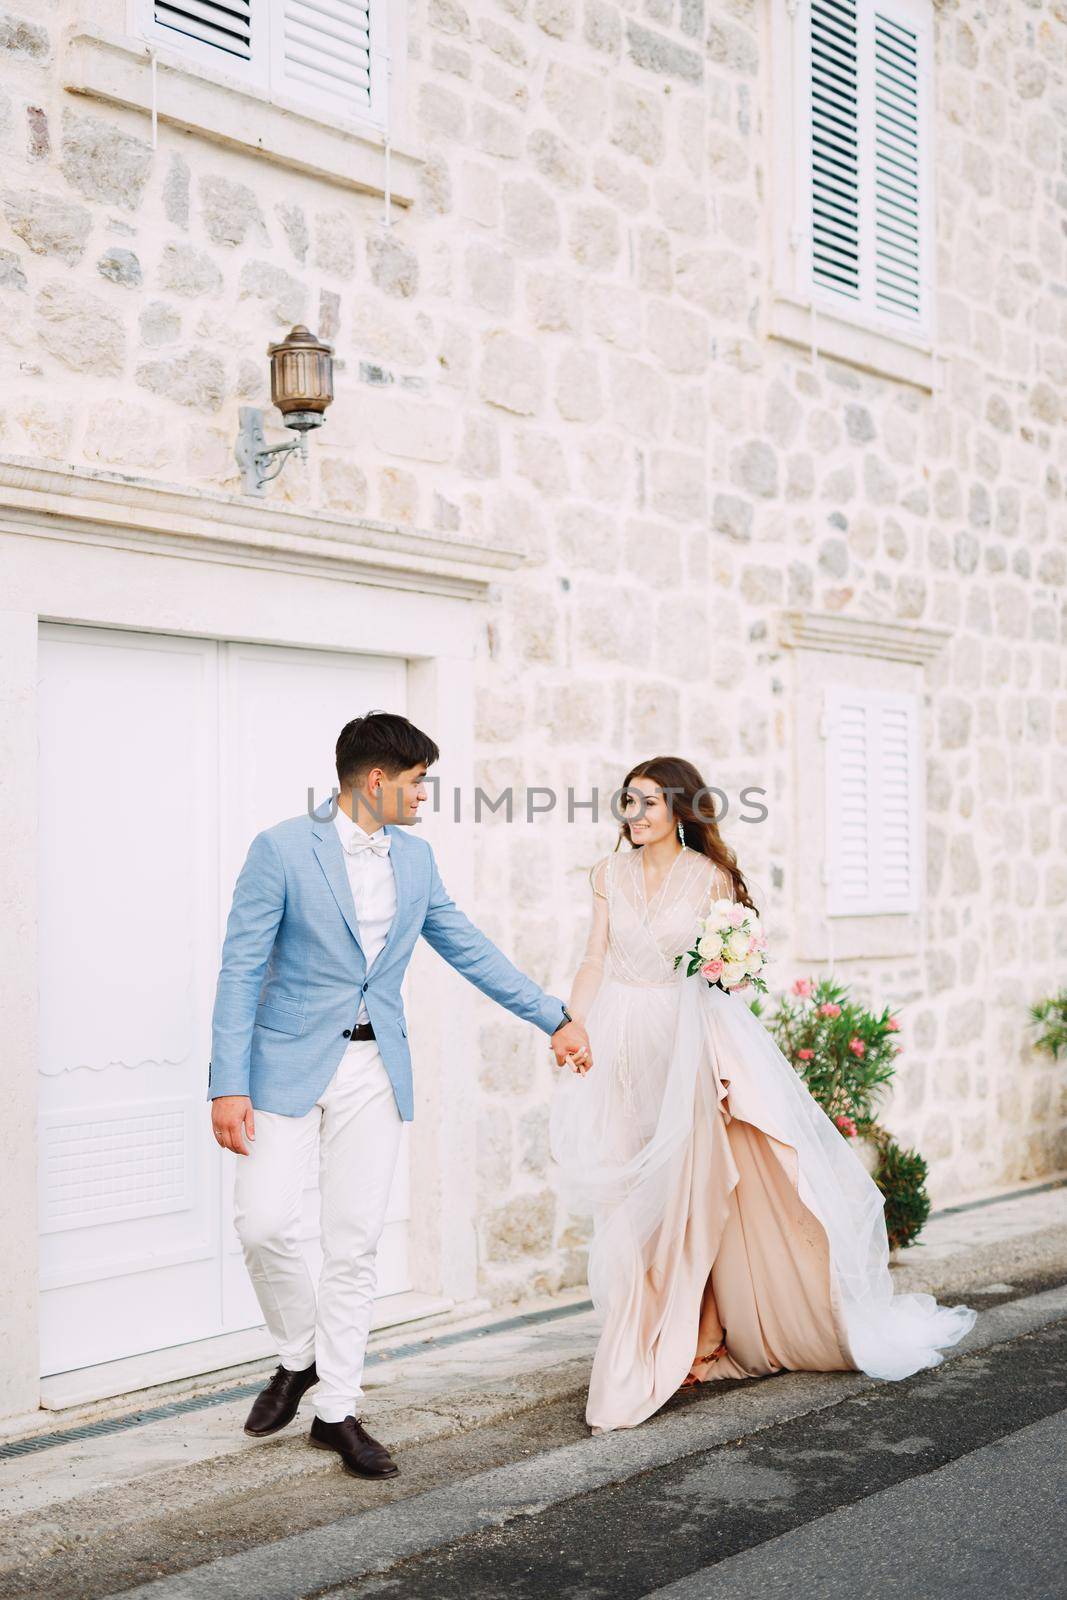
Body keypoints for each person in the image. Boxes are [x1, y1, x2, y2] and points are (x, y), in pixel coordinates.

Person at [208, 711, 591, 1478]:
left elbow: (466, 946)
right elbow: (240, 966)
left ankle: (336, 1410)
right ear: (377, 780)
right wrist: (227, 1083)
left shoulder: (415, 861)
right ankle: (300, 1353)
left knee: (353, 1242)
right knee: (263, 1224)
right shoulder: (280, 848)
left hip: (374, 1070)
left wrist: (553, 1015)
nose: (426, 797)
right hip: (282, 1067)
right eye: (418, 783)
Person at [549, 755, 977, 1434]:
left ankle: (697, 1338)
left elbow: (729, 976)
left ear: (680, 810)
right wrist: (570, 1021)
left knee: (689, 1192)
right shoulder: (605, 874)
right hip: (615, 1042)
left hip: (683, 1043)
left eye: (648, 803)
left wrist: (728, 965)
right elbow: (593, 957)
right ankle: (647, 1334)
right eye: (626, 802)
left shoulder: (711, 878)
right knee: (630, 1199)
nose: (633, 816)